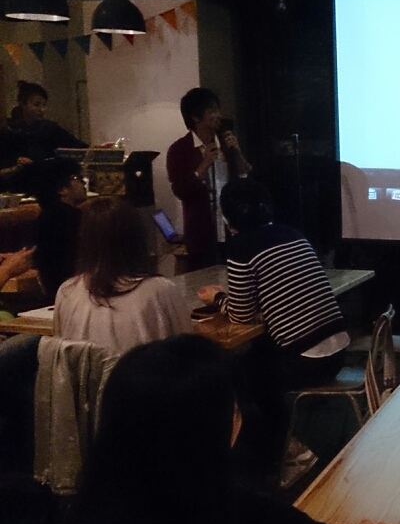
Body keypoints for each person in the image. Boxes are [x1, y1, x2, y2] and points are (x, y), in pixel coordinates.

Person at [18, 335, 400, 524]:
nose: (240, 416)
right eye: (231, 408)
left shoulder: (134, 484)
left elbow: (255, 510)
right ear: (203, 435)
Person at [198, 177, 348, 469]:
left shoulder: (242, 246)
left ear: (227, 217)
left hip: (308, 361)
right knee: (254, 359)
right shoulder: (293, 234)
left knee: (236, 372)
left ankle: (275, 454)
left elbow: (241, 315)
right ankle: (284, 447)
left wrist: (217, 298)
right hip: (338, 351)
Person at [53, 196, 192, 355]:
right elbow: (188, 354)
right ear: (137, 238)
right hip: (144, 371)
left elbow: (61, 355)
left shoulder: (67, 292)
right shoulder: (161, 292)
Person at [166, 87, 251, 271]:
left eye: (217, 109)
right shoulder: (179, 149)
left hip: (232, 226)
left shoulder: (226, 141)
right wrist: (203, 165)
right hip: (201, 232)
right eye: (211, 110)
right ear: (195, 117)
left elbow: (245, 176)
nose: (218, 115)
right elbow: (180, 190)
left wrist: (237, 151)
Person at [0, 81, 87, 192]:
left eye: (44, 105)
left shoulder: (51, 130)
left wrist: (99, 149)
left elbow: (80, 148)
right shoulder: (9, 133)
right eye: (36, 105)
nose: (41, 110)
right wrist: (15, 168)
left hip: (48, 188)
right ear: (23, 104)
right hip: (17, 189)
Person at [30, 156, 87, 300]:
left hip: (58, 294)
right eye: (77, 178)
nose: (84, 182)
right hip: (79, 294)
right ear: (62, 189)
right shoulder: (74, 219)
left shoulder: (46, 216)